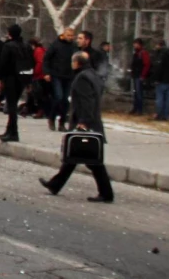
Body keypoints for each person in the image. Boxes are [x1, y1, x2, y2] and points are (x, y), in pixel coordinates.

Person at [38, 51, 114, 203]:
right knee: (74, 155)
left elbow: (87, 101)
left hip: (86, 123)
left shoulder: (82, 78)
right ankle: (55, 184)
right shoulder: (93, 75)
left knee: (92, 160)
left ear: (77, 63)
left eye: (72, 62)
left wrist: (84, 122)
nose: (71, 65)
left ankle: (106, 193)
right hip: (92, 122)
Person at [0, 24, 32, 143]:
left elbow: (3, 63)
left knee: (11, 105)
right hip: (22, 78)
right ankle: (10, 130)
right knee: (13, 104)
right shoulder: (26, 46)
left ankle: (13, 132)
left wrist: (0, 80)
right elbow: (31, 63)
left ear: (10, 33)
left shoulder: (8, 46)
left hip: (10, 78)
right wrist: (29, 81)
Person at [44, 28, 77, 131]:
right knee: (58, 96)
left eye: (72, 36)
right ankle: (51, 117)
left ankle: (62, 122)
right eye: (68, 35)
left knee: (65, 100)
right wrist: (47, 72)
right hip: (56, 74)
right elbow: (46, 59)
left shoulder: (74, 46)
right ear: (64, 35)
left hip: (69, 75)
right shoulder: (56, 44)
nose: (70, 38)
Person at [151, 40, 169, 121]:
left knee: (160, 99)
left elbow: (159, 69)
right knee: (167, 99)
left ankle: (159, 114)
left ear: (159, 46)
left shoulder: (161, 56)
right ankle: (166, 115)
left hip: (162, 80)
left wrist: (156, 79)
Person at [129, 38, 151, 115]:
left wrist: (143, 75)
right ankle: (135, 108)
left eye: (135, 44)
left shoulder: (143, 53)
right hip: (136, 75)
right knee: (136, 93)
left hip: (139, 75)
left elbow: (146, 65)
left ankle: (139, 109)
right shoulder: (136, 53)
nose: (134, 45)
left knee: (139, 93)